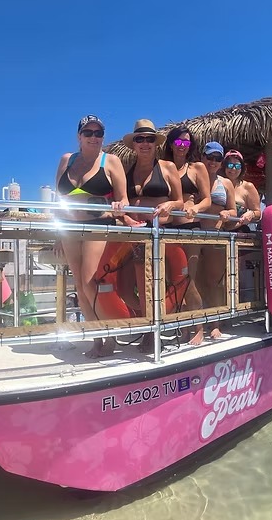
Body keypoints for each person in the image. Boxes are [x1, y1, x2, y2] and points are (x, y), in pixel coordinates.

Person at [55, 115, 136, 358]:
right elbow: (59, 201)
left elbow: (124, 199)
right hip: (68, 227)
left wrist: (120, 207)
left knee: (91, 282)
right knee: (79, 286)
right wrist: (56, 234)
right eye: (88, 133)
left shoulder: (111, 161)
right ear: (79, 136)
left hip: (98, 225)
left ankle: (109, 334)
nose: (93, 137)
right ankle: (96, 338)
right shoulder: (66, 160)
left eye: (98, 133)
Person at [124, 119, 184, 349]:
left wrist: (169, 205)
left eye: (150, 139)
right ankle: (148, 326)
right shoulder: (127, 169)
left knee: (160, 282)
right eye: (140, 139)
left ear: (155, 143)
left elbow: (178, 200)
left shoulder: (167, 167)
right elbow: (122, 201)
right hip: (137, 235)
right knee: (140, 283)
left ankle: (159, 329)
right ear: (134, 144)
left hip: (162, 233)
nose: (145, 143)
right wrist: (127, 218)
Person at [163, 126, 211, 345]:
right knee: (174, 281)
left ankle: (199, 327)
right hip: (169, 229)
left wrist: (196, 209)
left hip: (191, 228)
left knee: (189, 279)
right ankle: (183, 325)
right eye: (179, 142)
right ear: (171, 144)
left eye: (187, 143)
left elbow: (207, 199)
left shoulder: (197, 167)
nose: (183, 146)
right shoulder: (164, 167)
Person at [199, 141, 236, 339]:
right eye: (210, 157)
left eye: (217, 159)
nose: (213, 162)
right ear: (202, 157)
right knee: (194, 281)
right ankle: (196, 325)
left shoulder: (226, 183)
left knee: (214, 282)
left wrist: (226, 214)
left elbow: (233, 209)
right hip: (194, 235)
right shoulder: (193, 176)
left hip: (215, 235)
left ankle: (215, 324)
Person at [219, 150, 262, 231]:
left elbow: (258, 213)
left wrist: (251, 214)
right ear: (224, 166)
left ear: (242, 168)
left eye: (238, 166)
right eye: (230, 165)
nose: (234, 169)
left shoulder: (248, 187)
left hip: (238, 231)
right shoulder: (217, 183)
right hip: (215, 231)